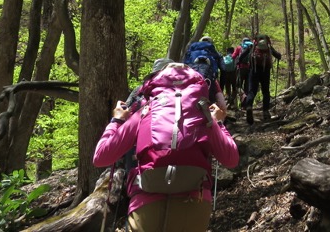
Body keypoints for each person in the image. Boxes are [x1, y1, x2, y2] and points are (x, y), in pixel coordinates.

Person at [93, 60, 239, 232]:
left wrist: (117, 120)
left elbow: (101, 157)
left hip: (147, 204)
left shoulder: (144, 111)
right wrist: (218, 123)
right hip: (194, 203)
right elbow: (231, 159)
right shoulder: (204, 115)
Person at [240, 34, 281, 124]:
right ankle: (265, 112)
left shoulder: (252, 46)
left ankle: (249, 106)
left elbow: (241, 56)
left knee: (252, 91)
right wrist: (279, 56)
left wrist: (238, 62)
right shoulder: (268, 47)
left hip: (253, 71)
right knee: (265, 91)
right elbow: (277, 55)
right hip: (265, 71)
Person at [220, 45, 238, 109]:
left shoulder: (224, 57)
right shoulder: (235, 57)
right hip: (233, 74)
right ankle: (232, 102)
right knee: (234, 89)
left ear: (227, 51)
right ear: (233, 51)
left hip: (226, 74)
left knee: (227, 89)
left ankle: (228, 102)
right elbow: (236, 66)